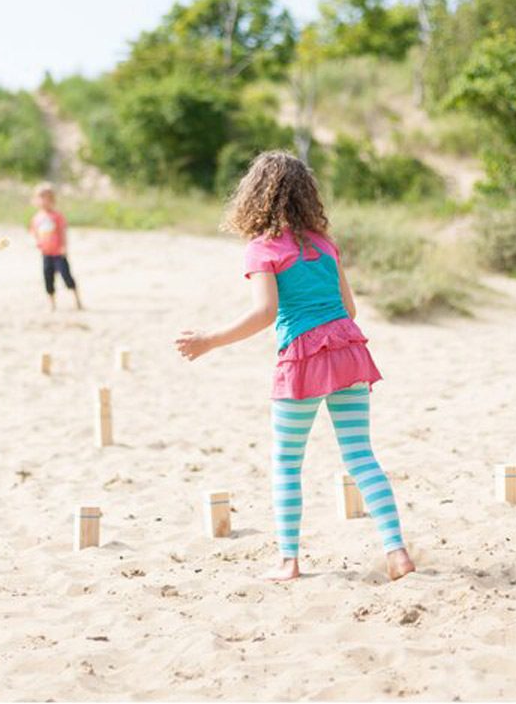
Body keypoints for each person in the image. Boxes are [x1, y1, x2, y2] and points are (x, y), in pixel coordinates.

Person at [175, 151, 414, 583]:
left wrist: (210, 340)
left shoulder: (261, 249)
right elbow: (350, 309)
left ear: (254, 195)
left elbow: (265, 312)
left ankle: (289, 561)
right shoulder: (324, 244)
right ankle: (397, 552)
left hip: (302, 358)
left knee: (286, 462)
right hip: (348, 348)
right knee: (361, 456)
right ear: (307, 195)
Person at [29, 182, 83, 312]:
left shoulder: (57, 216)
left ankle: (77, 301)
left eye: (47, 198)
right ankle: (52, 304)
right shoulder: (37, 218)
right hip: (46, 254)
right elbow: (35, 233)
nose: (44, 201)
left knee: (66, 277)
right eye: (41, 198)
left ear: (52, 200)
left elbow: (62, 232)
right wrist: (37, 243)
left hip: (59, 253)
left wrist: (64, 247)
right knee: (48, 278)